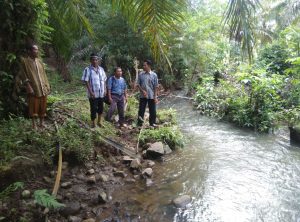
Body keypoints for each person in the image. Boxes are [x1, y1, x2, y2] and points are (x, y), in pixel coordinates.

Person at [19, 44, 50, 129]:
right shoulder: (25, 61)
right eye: (34, 50)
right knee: (33, 105)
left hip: (42, 87)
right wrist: (28, 86)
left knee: (43, 105)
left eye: (37, 50)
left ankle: (42, 123)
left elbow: (44, 74)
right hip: (33, 87)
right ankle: (34, 124)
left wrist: (47, 85)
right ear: (29, 51)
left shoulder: (39, 61)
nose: (37, 51)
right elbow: (23, 74)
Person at [82, 53, 107, 128]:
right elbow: (86, 81)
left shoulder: (101, 69)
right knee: (93, 109)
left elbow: (104, 80)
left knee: (101, 108)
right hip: (93, 94)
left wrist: (105, 89)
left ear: (98, 60)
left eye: (96, 60)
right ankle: (93, 123)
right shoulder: (87, 69)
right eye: (93, 60)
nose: (95, 61)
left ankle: (99, 122)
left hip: (101, 93)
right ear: (90, 60)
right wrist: (90, 92)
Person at [136, 60, 159, 127]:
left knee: (153, 111)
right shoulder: (141, 74)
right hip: (143, 96)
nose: (143, 66)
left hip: (151, 96)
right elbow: (138, 84)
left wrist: (155, 97)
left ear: (149, 66)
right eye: (143, 65)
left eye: (144, 65)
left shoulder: (154, 75)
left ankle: (152, 124)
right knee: (141, 110)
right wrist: (142, 91)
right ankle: (139, 124)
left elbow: (156, 86)